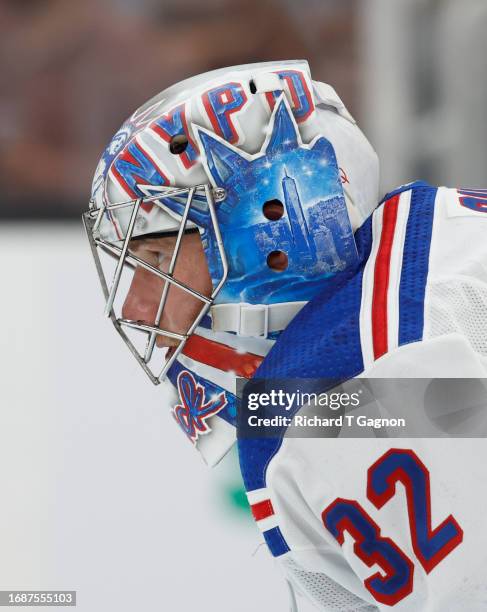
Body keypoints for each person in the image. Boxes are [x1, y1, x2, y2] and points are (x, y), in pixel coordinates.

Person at [83, 61, 487, 611]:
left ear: (273, 233)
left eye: (157, 258)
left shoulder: (335, 393)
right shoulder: (446, 230)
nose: (135, 305)